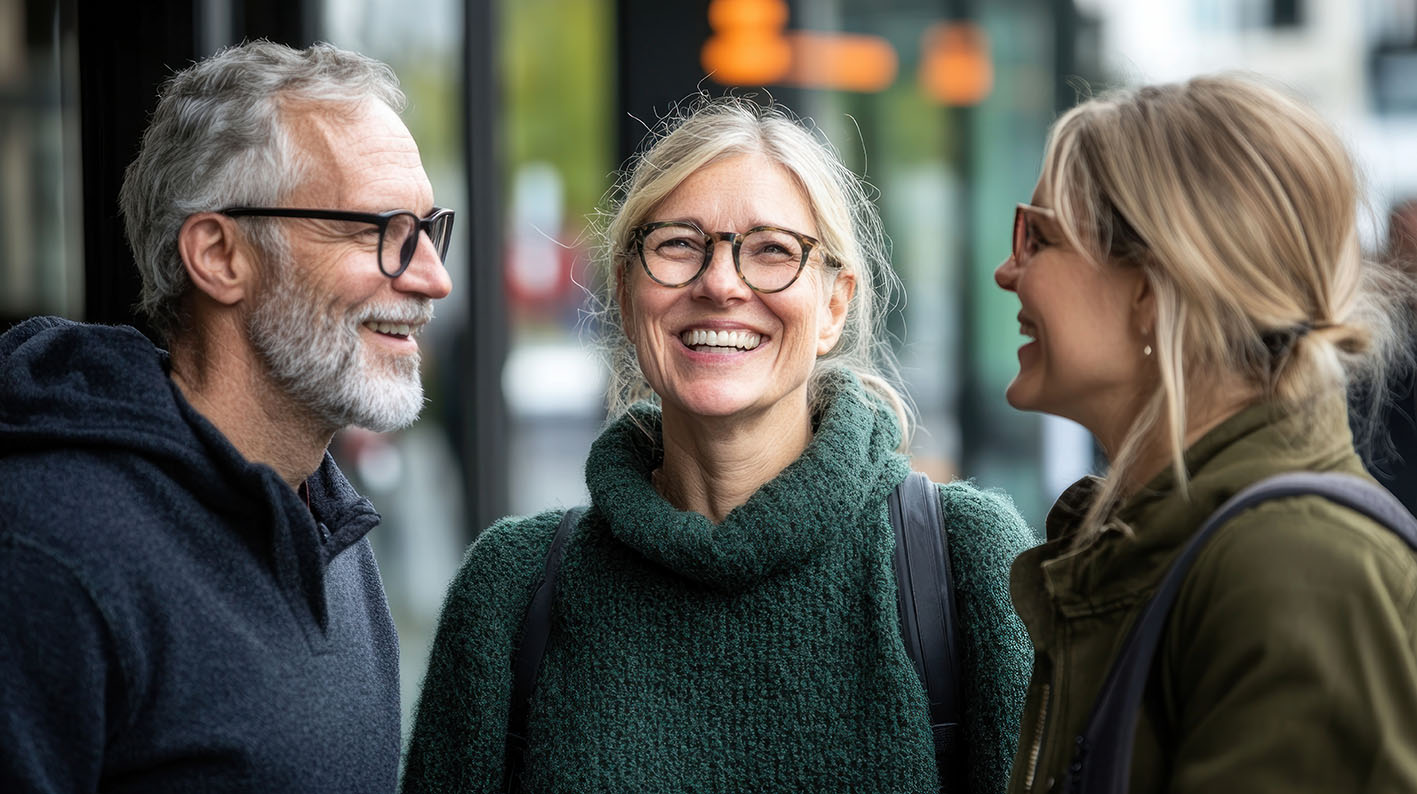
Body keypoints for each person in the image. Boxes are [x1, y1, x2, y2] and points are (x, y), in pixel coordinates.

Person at [401, 97, 1034, 793]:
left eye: (771, 251)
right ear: (624, 286)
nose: (721, 284)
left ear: (833, 305)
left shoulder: (966, 564)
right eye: (678, 244)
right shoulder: (511, 590)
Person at [0, 40, 453, 792]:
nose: (434, 279)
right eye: (381, 231)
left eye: (427, 231)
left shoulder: (333, 531)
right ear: (218, 254)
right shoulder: (46, 549)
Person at [993, 75, 1417, 792]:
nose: (1007, 272)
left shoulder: (1294, 563)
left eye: (1036, 236)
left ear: (1153, 287)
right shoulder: (1162, 539)